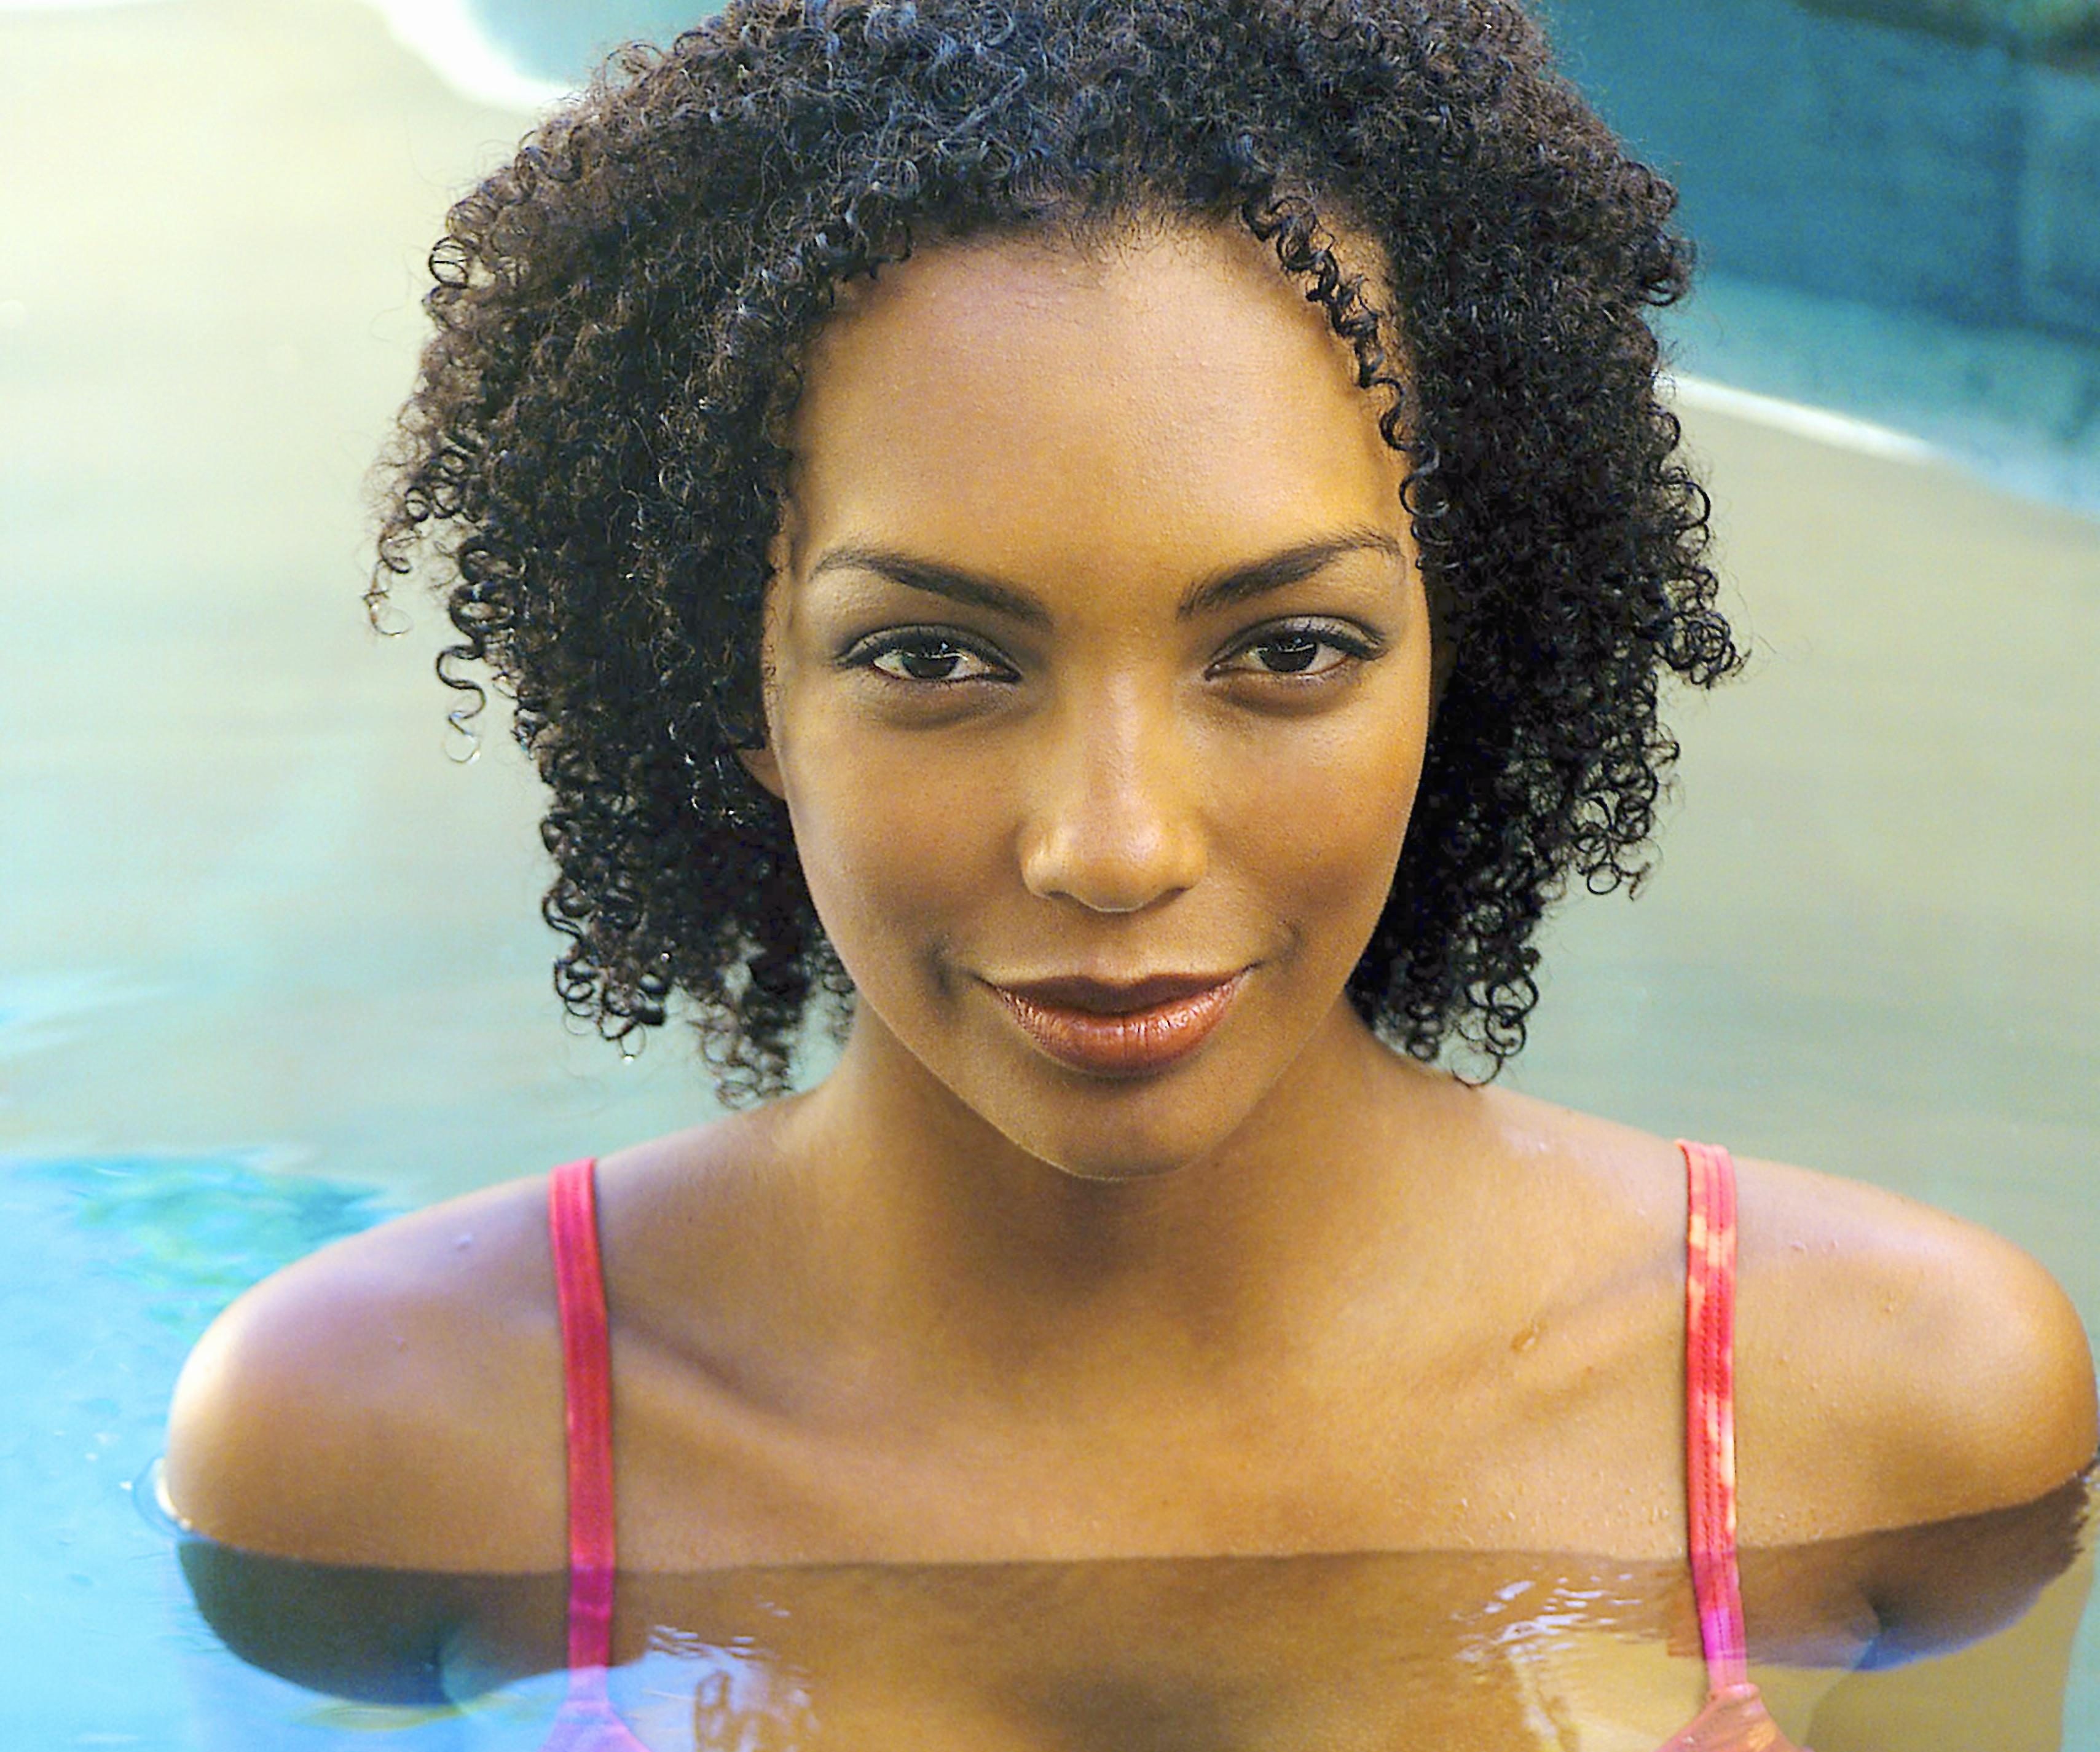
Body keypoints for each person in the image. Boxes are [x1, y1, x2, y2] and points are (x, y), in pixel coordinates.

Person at [165, 1, 2096, 1746]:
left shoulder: (1896, 1414)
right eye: (933, 656)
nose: (1113, 844)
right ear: (734, 682)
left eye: (1288, 650)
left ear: (1461, 650)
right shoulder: (377, 1454)